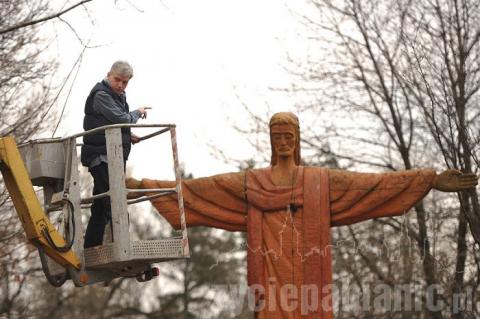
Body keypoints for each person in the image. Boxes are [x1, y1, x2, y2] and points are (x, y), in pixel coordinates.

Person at [126, 112, 477, 318]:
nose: (283, 142)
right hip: (272, 286)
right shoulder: (253, 183)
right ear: (270, 140)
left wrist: (429, 180)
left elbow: (373, 186)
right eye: (277, 136)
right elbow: (202, 189)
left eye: (288, 136)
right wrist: (144, 185)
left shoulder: (318, 183)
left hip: (310, 288)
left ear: (296, 140)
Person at [81, 60, 148, 249]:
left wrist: (128, 135)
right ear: (108, 74)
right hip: (101, 155)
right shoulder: (102, 94)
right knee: (115, 200)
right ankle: (124, 246)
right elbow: (122, 119)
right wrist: (137, 112)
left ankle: (91, 248)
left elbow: (111, 124)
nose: (120, 85)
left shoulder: (117, 95)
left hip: (112, 155)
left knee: (102, 205)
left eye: (125, 82)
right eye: (117, 80)